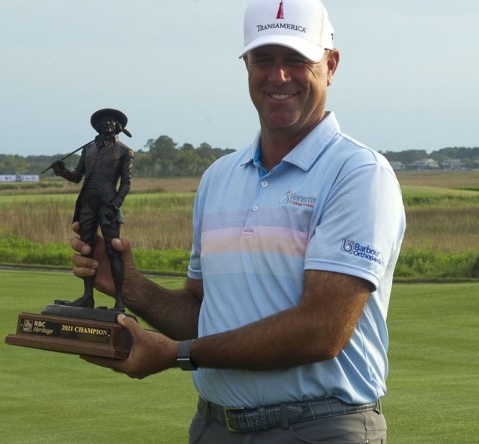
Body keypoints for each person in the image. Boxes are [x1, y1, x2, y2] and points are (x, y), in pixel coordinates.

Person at [72, 0, 406, 442]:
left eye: (296, 60)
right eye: (264, 59)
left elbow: (320, 330)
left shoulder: (359, 173)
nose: (278, 76)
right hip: (215, 426)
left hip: (320, 428)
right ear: (246, 63)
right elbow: (204, 316)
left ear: (331, 65)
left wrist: (177, 356)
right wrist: (132, 287)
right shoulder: (220, 177)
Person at [52, 108, 134, 312]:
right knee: (86, 249)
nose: (107, 124)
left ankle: (119, 302)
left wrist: (114, 205)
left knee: (112, 251)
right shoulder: (88, 149)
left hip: (108, 206)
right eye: (103, 121)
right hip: (87, 204)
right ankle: (87, 296)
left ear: (119, 127)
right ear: (97, 127)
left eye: (111, 121)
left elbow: (126, 183)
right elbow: (77, 176)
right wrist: (62, 171)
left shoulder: (124, 151)